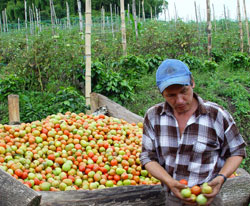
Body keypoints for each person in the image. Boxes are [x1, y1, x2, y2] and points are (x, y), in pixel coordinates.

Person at [139, 59, 246, 206]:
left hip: (209, 198)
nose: (180, 100)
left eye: (184, 91)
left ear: (192, 83)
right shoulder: (153, 117)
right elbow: (147, 157)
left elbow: (237, 151)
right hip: (173, 198)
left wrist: (221, 177)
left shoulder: (216, 115)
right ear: (161, 93)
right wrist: (170, 182)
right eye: (171, 95)